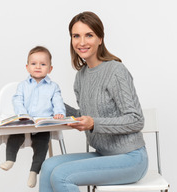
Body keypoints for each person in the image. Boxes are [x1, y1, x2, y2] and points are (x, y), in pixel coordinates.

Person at [39, 11, 148, 192]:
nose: (81, 42)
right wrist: (53, 103)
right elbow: (86, 116)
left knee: (61, 175)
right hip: (104, 154)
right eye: (76, 36)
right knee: (48, 167)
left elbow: (136, 119)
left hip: (131, 158)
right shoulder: (80, 77)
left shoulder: (115, 70)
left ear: (100, 38)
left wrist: (93, 123)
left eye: (89, 35)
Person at [0, 46, 66, 188]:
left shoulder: (53, 87)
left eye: (43, 64)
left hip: (42, 124)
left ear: (50, 69)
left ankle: (34, 171)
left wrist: (59, 112)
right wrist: (22, 114)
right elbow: (17, 100)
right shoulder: (22, 86)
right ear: (27, 67)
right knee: (14, 137)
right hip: (26, 121)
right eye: (34, 64)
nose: (38, 67)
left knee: (42, 145)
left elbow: (58, 101)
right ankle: (10, 159)